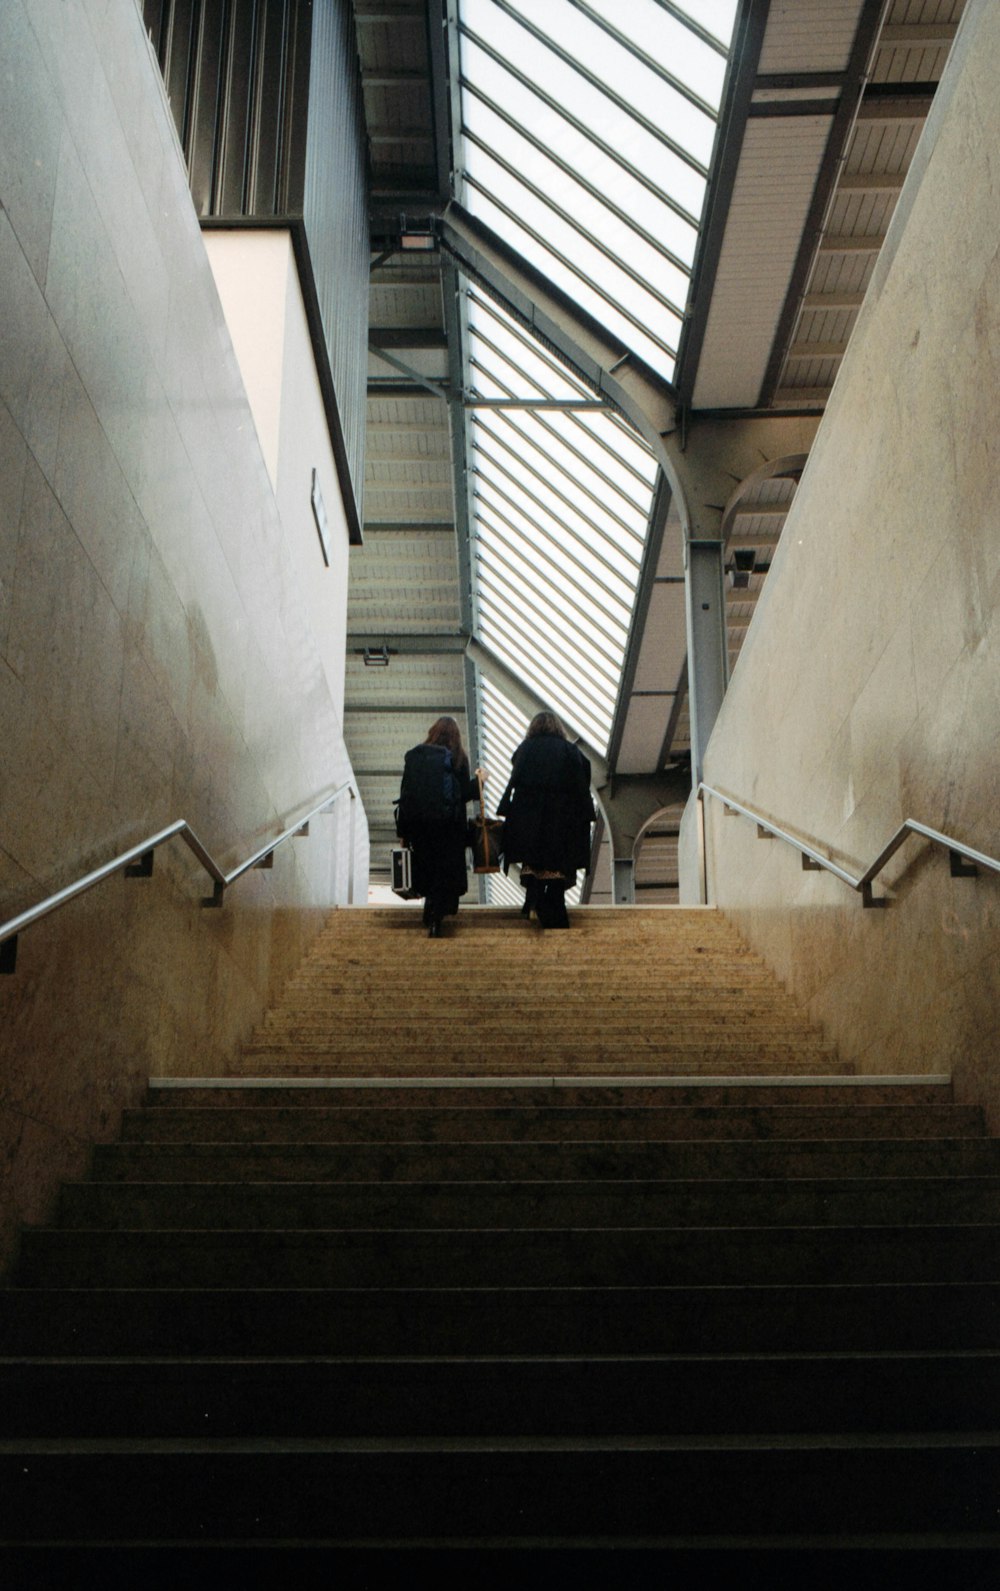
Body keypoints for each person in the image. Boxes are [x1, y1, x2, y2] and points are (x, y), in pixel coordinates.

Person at [497, 711, 594, 929]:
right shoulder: (570, 750)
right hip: (560, 818)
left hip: (528, 817)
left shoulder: (525, 749)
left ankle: (532, 901)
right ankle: (556, 910)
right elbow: (582, 779)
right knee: (557, 864)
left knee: (533, 860)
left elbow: (516, 777)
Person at [397, 717, 484, 937]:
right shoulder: (458, 758)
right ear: (456, 735)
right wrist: (480, 782)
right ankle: (436, 918)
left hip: (419, 826)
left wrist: (405, 831)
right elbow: (463, 793)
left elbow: (405, 792)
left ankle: (429, 910)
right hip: (449, 827)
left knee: (428, 867)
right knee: (444, 873)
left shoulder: (416, 756)